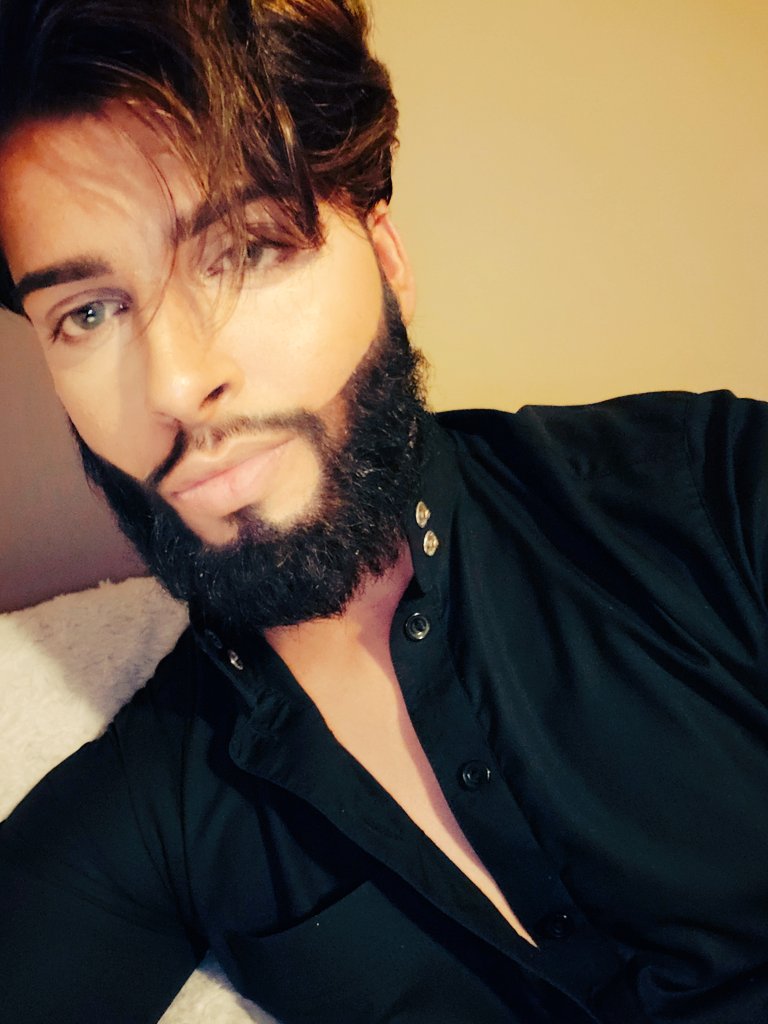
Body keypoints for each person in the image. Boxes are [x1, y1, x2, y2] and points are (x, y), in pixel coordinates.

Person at [1, 1, 768, 1022]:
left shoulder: (712, 490)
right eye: (88, 313)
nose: (174, 385)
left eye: (247, 250)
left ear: (387, 255)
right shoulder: (159, 804)